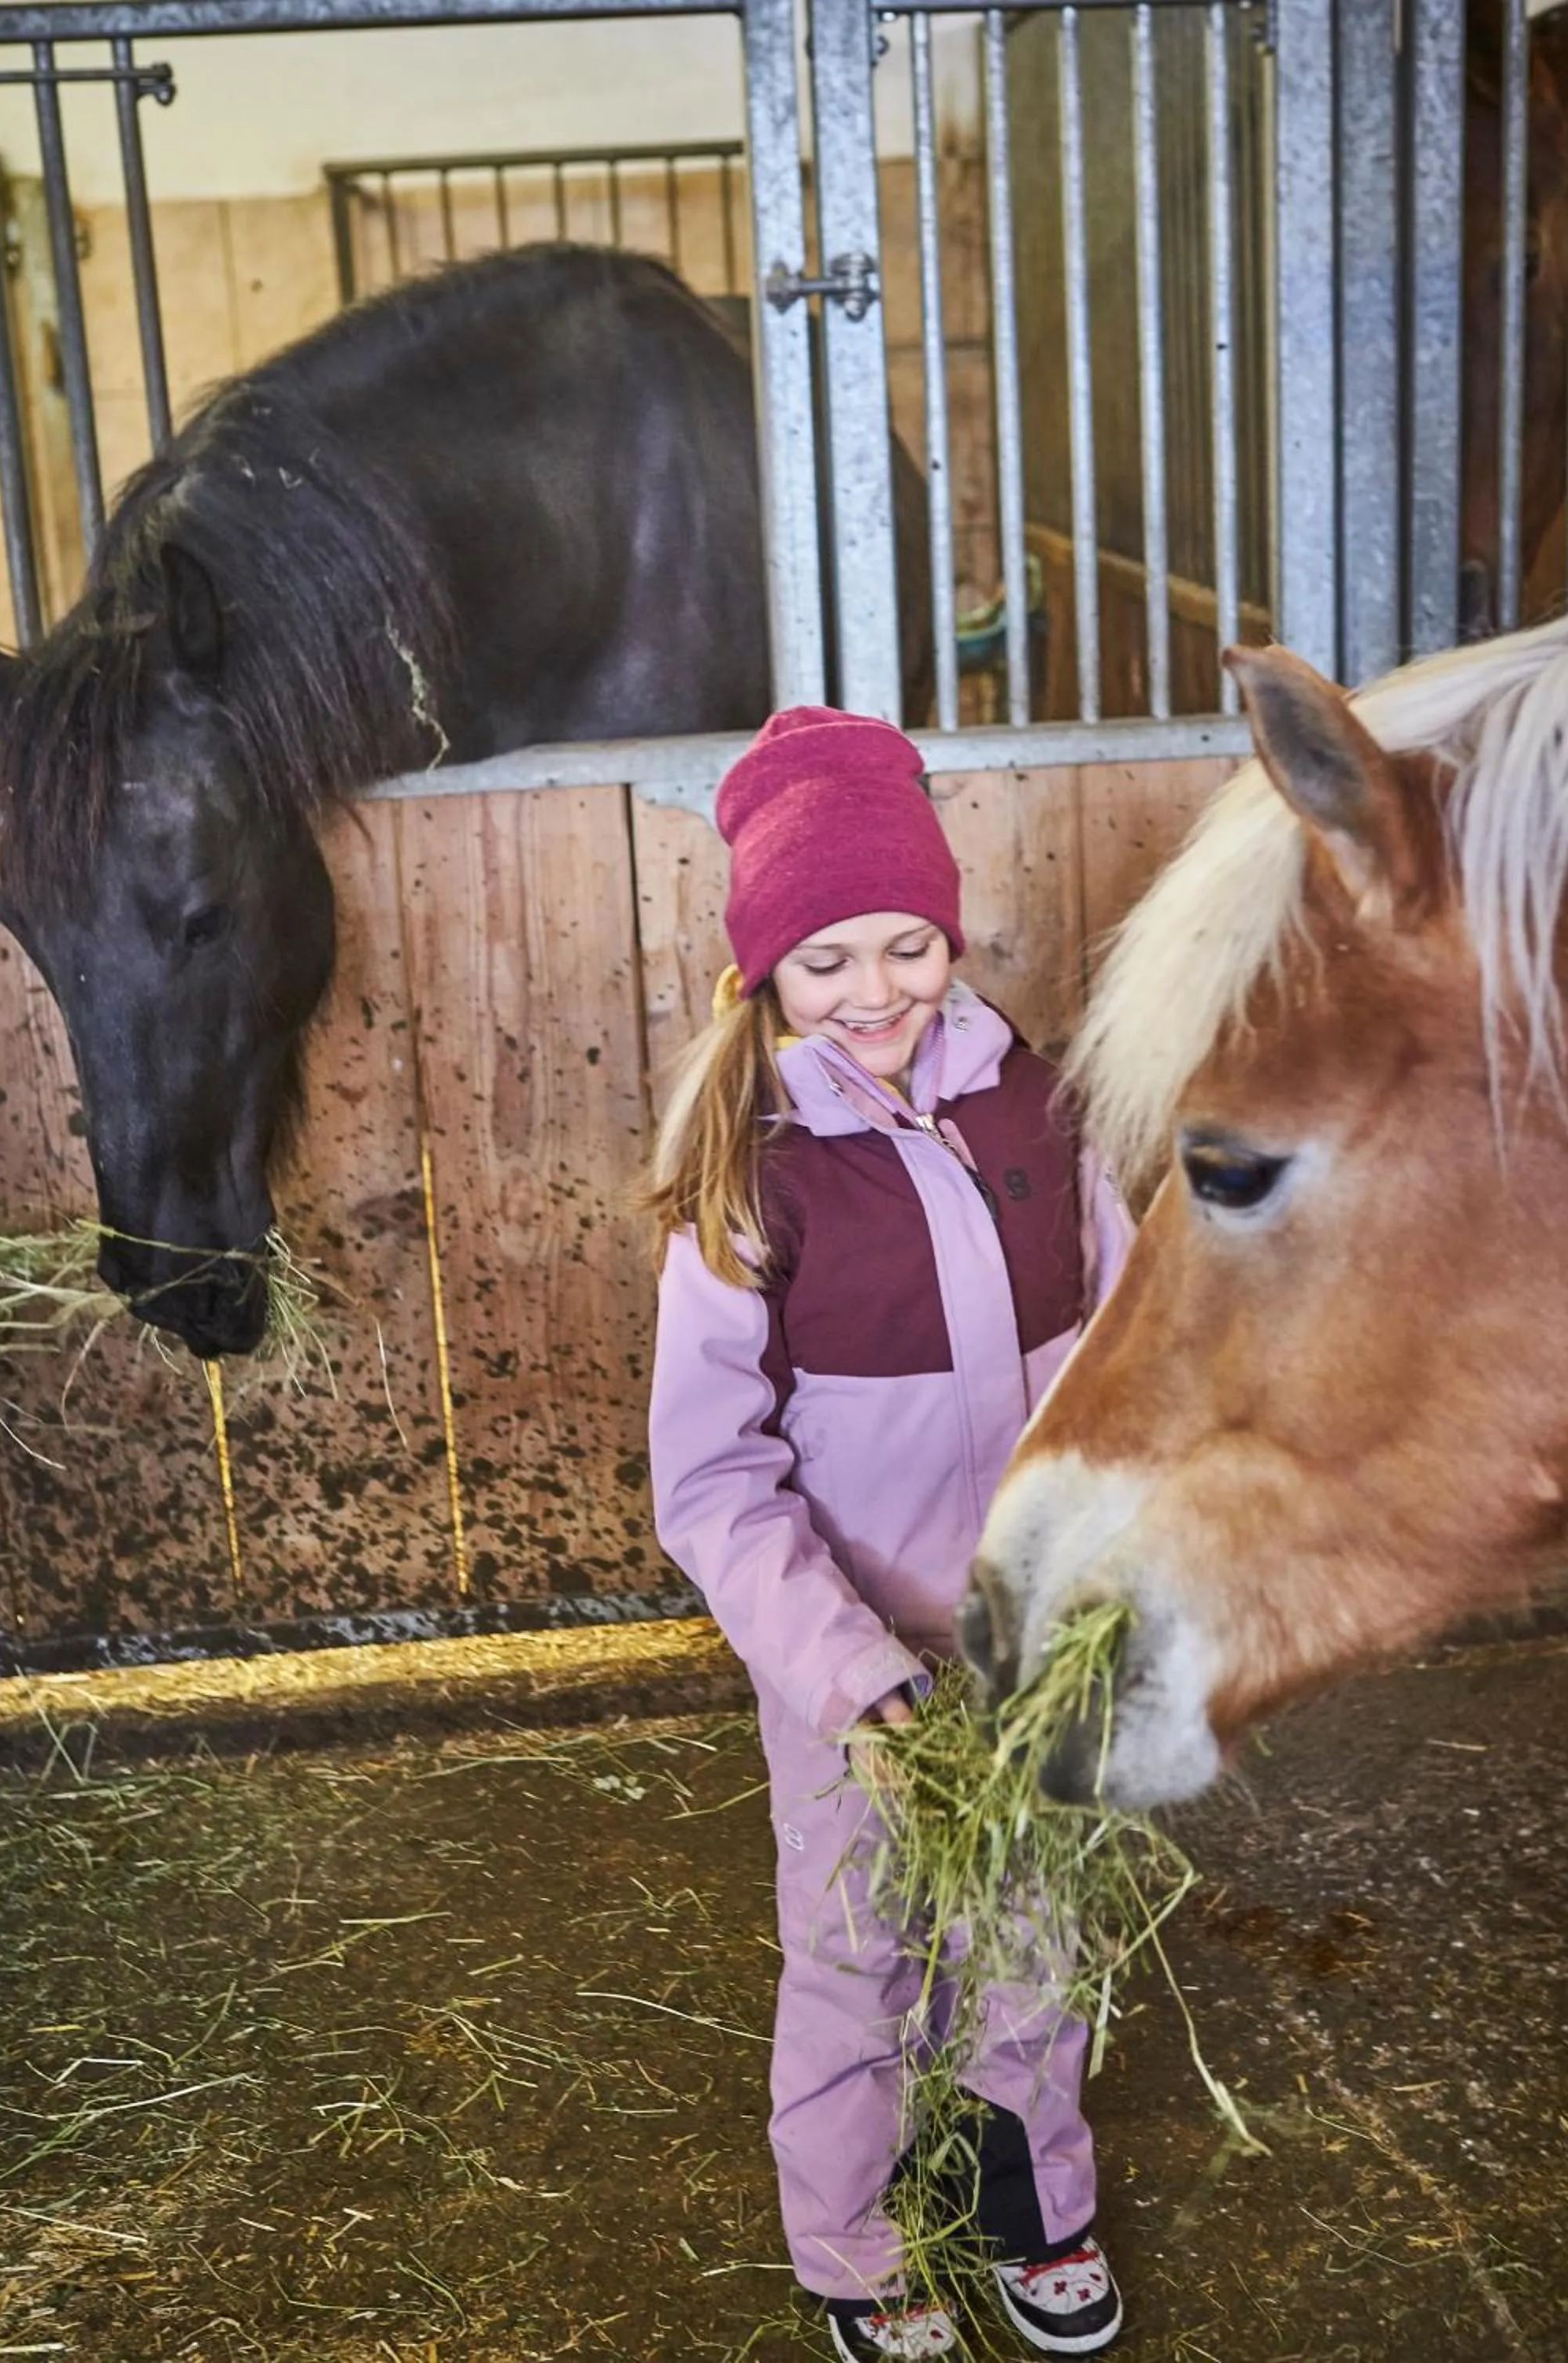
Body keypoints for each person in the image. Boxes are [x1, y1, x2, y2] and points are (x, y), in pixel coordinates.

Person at [644, 706, 1130, 2361]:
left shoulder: (1042, 1108)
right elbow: (713, 1483)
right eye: (825, 961)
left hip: (1036, 1629)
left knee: (1035, 1923)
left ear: (949, 933)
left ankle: (1026, 2195)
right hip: (854, 1662)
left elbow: (1128, 1348)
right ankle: (853, 2243)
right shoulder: (748, 1177)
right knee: (858, 1949)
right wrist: (851, 1678)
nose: (875, 991)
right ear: (765, 975)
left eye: (907, 945)